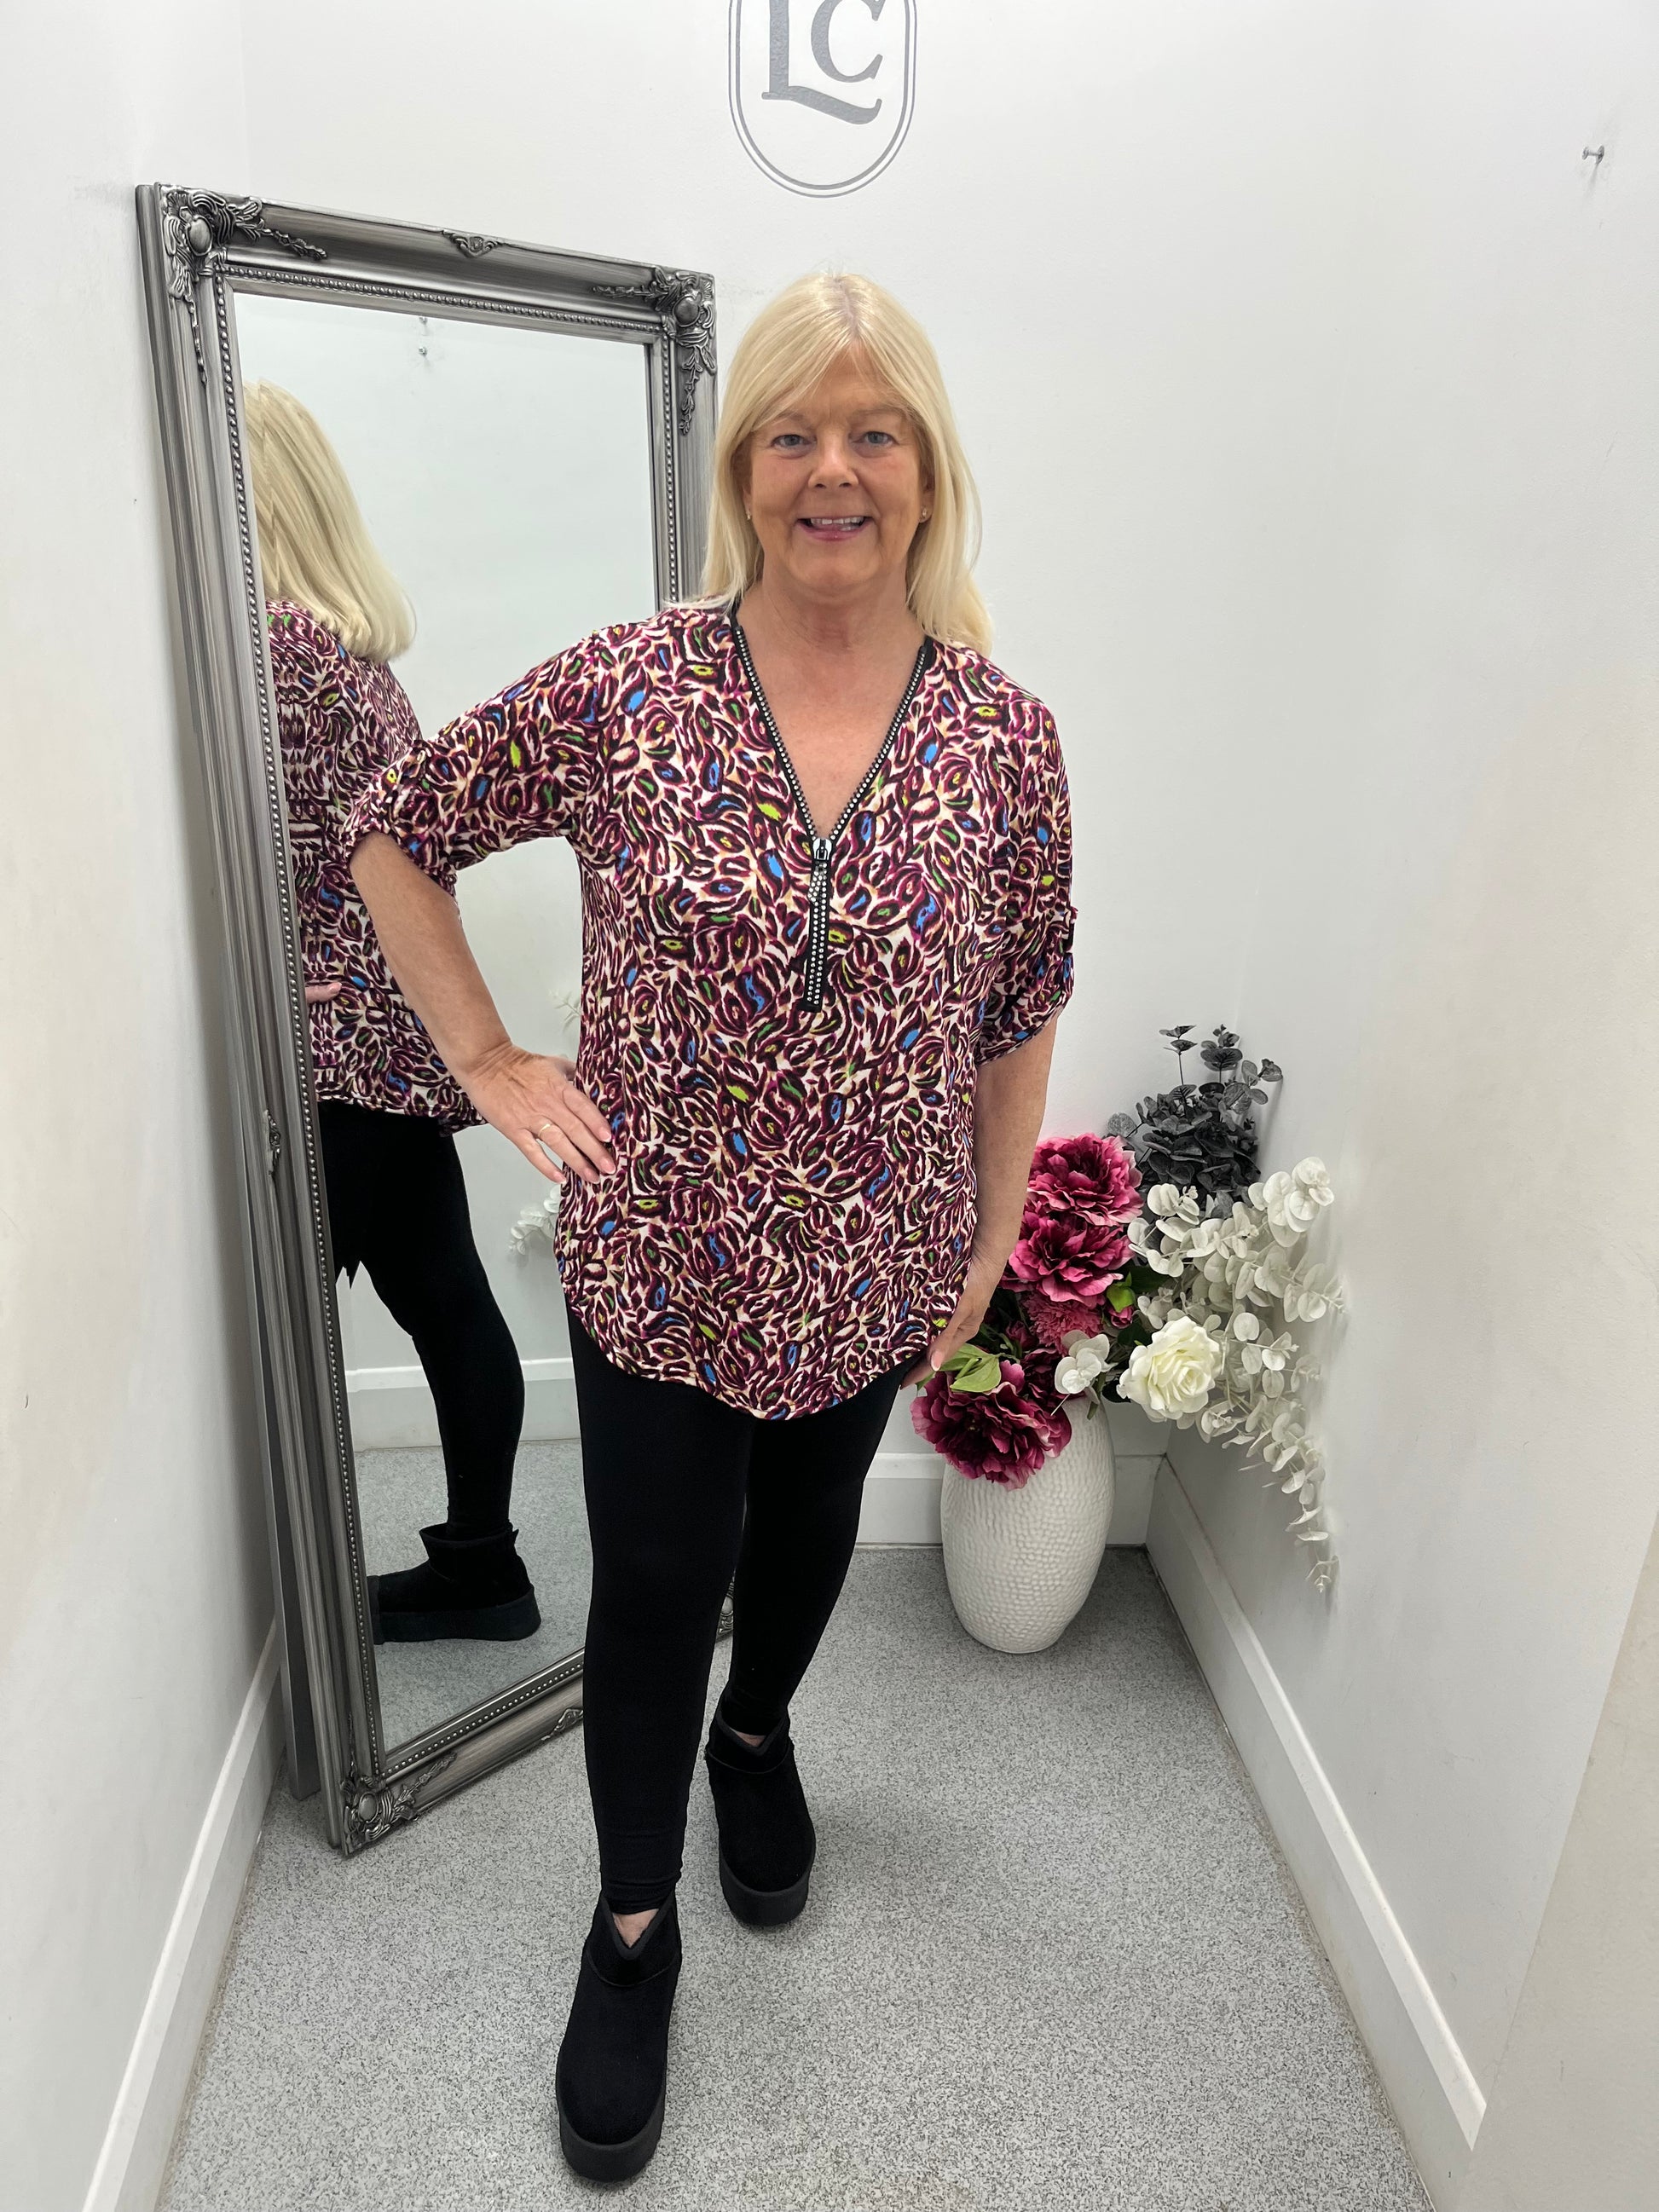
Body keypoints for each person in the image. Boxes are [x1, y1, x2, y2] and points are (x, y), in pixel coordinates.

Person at [343, 274, 1076, 2180]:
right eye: (791, 434)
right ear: (742, 467)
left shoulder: (1003, 738)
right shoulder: (630, 687)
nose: (832, 470)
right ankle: (630, 1927)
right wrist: (485, 1053)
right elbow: (393, 829)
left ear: (926, 467)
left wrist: (992, 1232)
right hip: (661, 1250)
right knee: (656, 1580)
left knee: (810, 1547)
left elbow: (1018, 1005)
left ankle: (757, 1735)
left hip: (878, 1249)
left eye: (872, 431)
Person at [244, 381, 539, 1645]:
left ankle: (415, 1584)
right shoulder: (350, 659)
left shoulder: (278, 652)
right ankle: (483, 1568)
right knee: (448, 1299)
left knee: (300, 1328)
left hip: (334, 1048)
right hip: (382, 1038)